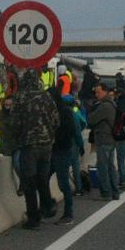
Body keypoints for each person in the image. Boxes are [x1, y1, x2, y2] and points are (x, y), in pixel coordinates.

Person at [4, 69, 58, 229]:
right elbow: (56, 120)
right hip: (47, 144)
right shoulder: (47, 97)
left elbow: (14, 123)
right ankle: (48, 205)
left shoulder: (21, 98)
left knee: (29, 181)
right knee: (42, 178)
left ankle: (34, 218)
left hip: (29, 145)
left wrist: (18, 137)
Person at [48, 87, 79, 224]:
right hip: (52, 151)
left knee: (63, 183)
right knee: (42, 179)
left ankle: (68, 213)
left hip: (62, 150)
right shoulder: (51, 111)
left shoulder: (65, 112)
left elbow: (72, 130)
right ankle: (48, 205)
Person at [87, 82, 119, 202]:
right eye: (95, 92)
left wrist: (91, 111)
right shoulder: (112, 103)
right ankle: (115, 192)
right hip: (111, 140)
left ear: (105, 91)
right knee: (110, 167)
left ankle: (106, 193)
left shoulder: (104, 106)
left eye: (98, 92)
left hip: (104, 139)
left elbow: (91, 120)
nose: (96, 95)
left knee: (103, 167)